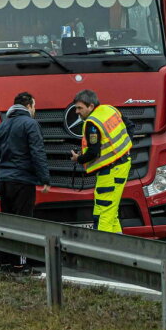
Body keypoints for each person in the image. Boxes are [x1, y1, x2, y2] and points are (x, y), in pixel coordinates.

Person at [0, 92, 51, 272]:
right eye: (34, 107)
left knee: (7, 222)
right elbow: (37, 152)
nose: (35, 110)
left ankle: (6, 263)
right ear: (29, 106)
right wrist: (45, 178)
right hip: (22, 180)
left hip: (4, 181)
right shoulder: (30, 124)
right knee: (23, 222)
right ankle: (21, 264)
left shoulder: (1, 127)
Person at [68, 89, 133, 233]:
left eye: (80, 108)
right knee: (110, 212)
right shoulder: (110, 110)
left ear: (91, 106)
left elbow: (93, 152)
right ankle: (119, 249)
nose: (77, 112)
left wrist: (78, 158)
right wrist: (122, 148)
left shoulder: (92, 123)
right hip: (120, 166)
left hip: (111, 171)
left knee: (104, 214)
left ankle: (101, 251)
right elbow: (130, 126)